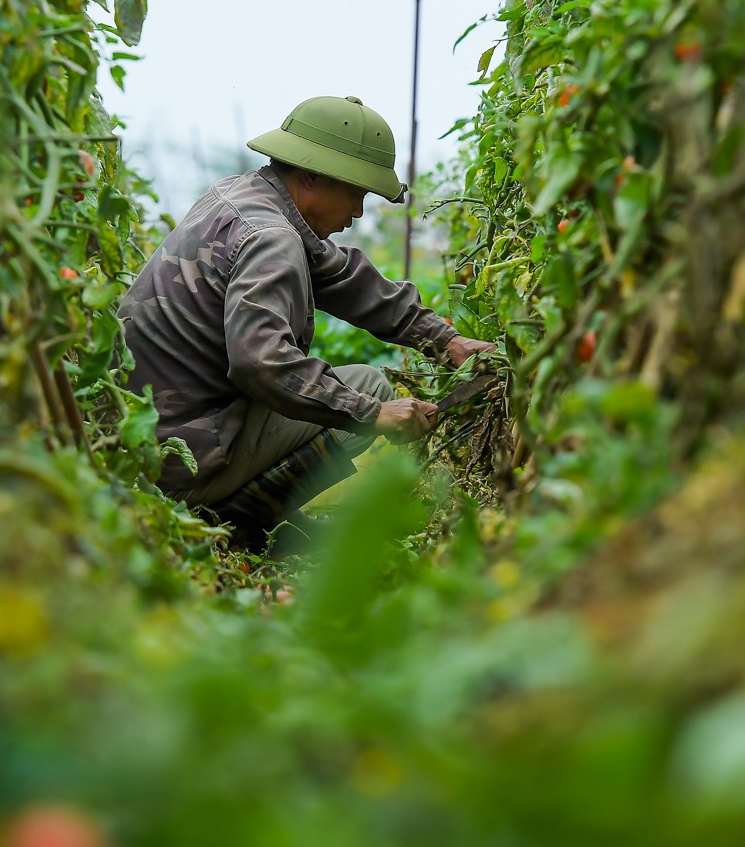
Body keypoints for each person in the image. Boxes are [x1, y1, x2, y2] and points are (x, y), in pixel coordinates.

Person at [118, 94, 496, 546]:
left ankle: (238, 510)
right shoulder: (272, 238)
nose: (357, 212)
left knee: (347, 394)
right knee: (368, 389)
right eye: (356, 193)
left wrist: (445, 340)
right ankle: (227, 523)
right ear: (313, 176)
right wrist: (373, 414)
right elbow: (261, 361)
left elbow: (348, 280)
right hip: (183, 458)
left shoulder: (240, 198)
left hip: (145, 437)